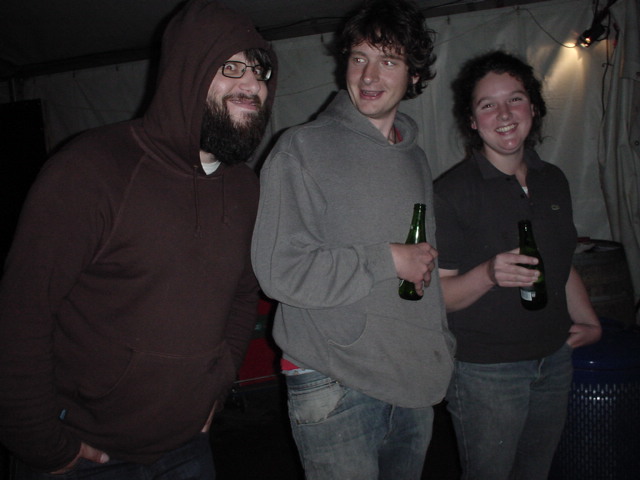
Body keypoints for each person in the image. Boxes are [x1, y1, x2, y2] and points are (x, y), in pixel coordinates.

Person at [0, 0, 277, 477]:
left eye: (260, 70)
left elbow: (241, 295)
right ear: (186, 70)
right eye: (231, 66)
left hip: (188, 447)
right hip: (86, 452)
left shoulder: (245, 187)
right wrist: (42, 444)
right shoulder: (90, 170)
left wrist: (216, 387)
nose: (253, 85)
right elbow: (21, 315)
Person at [251, 1, 454, 479]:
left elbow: (424, 268)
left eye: (389, 60)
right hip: (334, 380)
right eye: (359, 57)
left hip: (410, 379)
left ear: (415, 75)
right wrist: (387, 260)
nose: (368, 75)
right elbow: (279, 270)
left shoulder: (415, 158)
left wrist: (440, 345)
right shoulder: (301, 148)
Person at [434, 50, 601, 480]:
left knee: (536, 472)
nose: (504, 114)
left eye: (515, 99)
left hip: (555, 358)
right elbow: (437, 297)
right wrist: (489, 274)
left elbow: (561, 262)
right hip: (487, 371)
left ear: (534, 108)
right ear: (472, 121)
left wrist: (589, 320)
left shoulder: (553, 179)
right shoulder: (450, 192)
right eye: (487, 104)